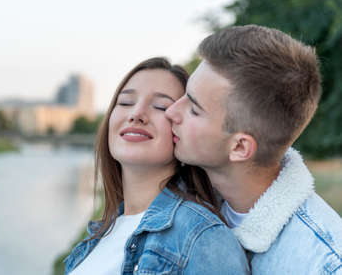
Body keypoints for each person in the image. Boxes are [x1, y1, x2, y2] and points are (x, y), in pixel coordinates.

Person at [166, 24, 342, 274]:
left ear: (239, 147)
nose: (172, 111)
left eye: (194, 110)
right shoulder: (180, 194)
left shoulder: (321, 264)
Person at [64, 57, 250, 274]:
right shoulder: (100, 235)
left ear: (183, 130)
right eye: (125, 102)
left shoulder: (202, 236)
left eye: (161, 107)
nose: (136, 115)